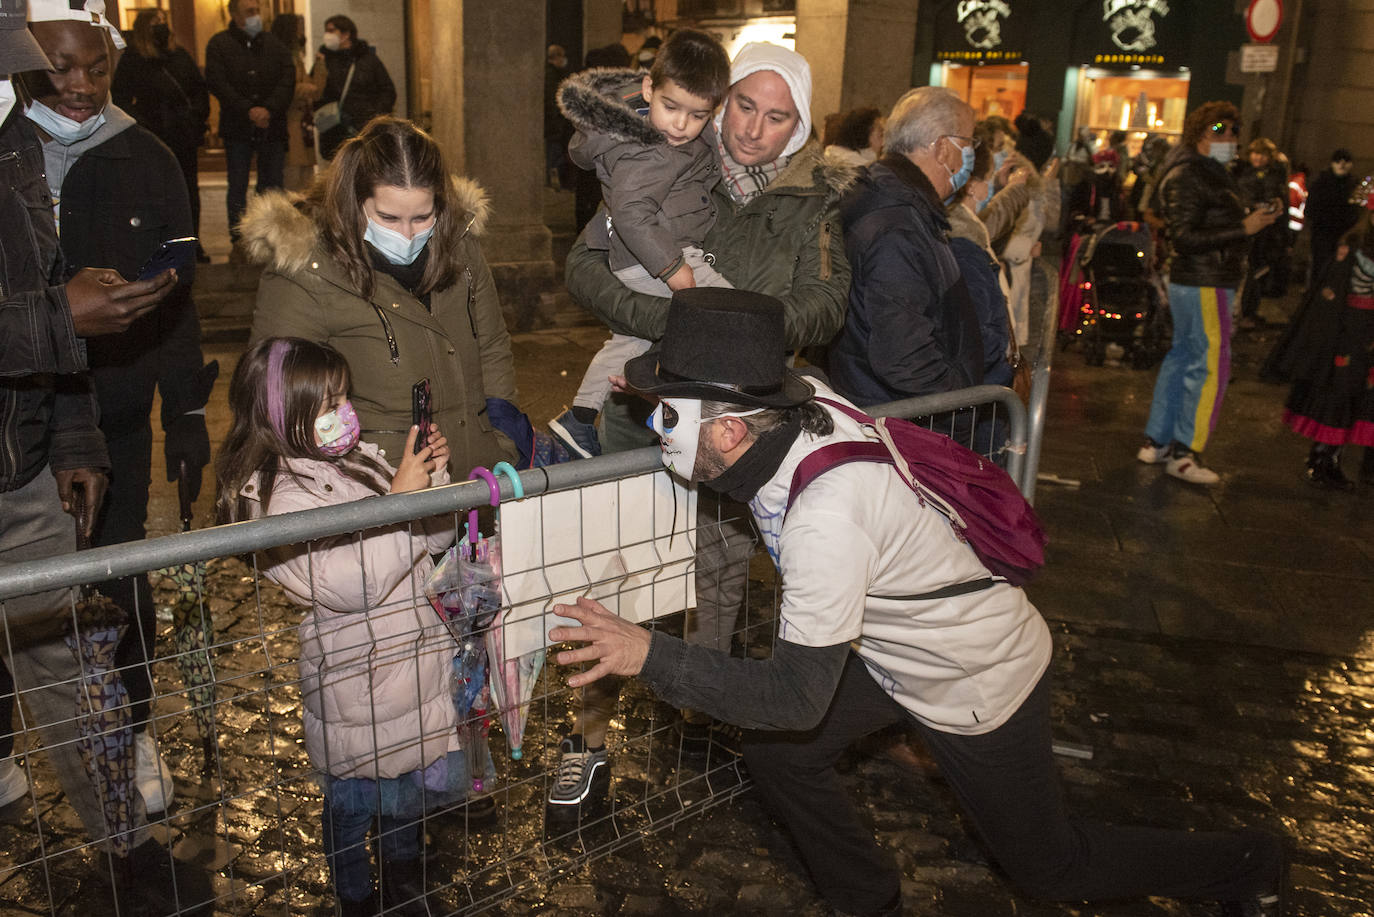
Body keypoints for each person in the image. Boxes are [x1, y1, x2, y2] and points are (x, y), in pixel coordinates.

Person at [546, 286, 1288, 917]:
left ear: (734, 428)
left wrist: (648, 653)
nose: (655, 432)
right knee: (781, 758)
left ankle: (1247, 859)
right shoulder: (801, 399)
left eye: (666, 418)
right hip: (892, 645)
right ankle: (868, 899)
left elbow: (798, 694)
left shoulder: (824, 519)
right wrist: (658, 385)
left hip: (974, 678)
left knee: (1051, 868)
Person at [558, 39, 852, 811]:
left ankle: (702, 714)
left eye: (776, 115)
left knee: (720, 568)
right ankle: (587, 734)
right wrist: (671, 316)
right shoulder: (666, 152)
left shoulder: (811, 198)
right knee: (618, 563)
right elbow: (585, 264)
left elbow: (828, 301)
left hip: (736, 420)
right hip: (642, 403)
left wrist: (742, 331)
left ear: (799, 124)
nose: (753, 129)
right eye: (744, 107)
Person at [0, 3, 212, 912]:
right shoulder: (14, 146)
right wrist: (63, 325)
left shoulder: (139, 156)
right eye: (52, 69)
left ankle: (122, 810)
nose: (75, 87)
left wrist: (160, 416)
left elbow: (160, 297)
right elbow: (52, 307)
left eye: (92, 68)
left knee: (84, 626)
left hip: (64, 433)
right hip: (36, 422)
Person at [216, 337, 474, 917]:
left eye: (343, 397)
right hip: (357, 686)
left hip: (413, 660)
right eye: (328, 403)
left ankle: (406, 880)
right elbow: (351, 585)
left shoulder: (359, 462)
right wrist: (403, 498)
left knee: (407, 797)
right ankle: (355, 896)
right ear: (284, 412)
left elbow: (431, 538)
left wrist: (432, 480)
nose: (344, 412)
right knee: (355, 806)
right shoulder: (280, 501)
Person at [243, 116, 520, 473]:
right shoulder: (305, 272)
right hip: (376, 487)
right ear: (354, 201)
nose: (407, 234)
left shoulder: (460, 245)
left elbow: (493, 348)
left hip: (478, 471)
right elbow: (279, 404)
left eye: (423, 216)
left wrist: (503, 440)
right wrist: (355, 482)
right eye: (388, 218)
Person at [548, 27, 732, 459]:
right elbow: (632, 213)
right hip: (655, 255)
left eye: (698, 115)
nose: (681, 125)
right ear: (649, 88)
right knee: (728, 314)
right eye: (670, 107)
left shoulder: (659, 132)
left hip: (643, 254)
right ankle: (695, 414)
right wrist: (674, 270)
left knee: (630, 338)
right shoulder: (647, 149)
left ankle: (578, 418)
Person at [1137, 102, 1279, 484]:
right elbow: (1184, 235)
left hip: (1200, 279)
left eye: (1234, 129)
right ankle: (1185, 451)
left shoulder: (1202, 171)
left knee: (1184, 356)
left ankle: (1159, 441)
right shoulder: (1190, 173)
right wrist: (1244, 228)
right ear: (1200, 132)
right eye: (1220, 128)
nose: (1230, 137)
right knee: (1210, 363)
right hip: (1204, 280)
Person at [827, 86, 985, 406]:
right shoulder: (897, 227)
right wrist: (960, 400)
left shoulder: (889, 198)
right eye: (969, 143)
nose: (972, 154)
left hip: (874, 401)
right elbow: (904, 359)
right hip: (895, 420)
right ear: (943, 148)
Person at [1265, 187, 1374, 488]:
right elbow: (1334, 294)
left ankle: (1343, 460)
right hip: (1348, 332)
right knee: (1339, 393)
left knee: (1361, 397)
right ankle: (1323, 457)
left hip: (1365, 333)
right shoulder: (1353, 247)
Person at [110, 6, 210, 260]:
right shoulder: (134, 59)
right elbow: (120, 98)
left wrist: (195, 118)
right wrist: (143, 125)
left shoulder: (179, 56)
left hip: (183, 136)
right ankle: (160, 244)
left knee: (188, 192)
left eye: (164, 21)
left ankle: (190, 243)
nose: (162, 26)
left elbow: (198, 90)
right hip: (153, 138)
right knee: (155, 194)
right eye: (156, 22)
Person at [204, 0, 295, 246]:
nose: (255, 16)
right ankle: (239, 237)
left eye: (257, 11)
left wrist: (269, 109)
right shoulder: (220, 45)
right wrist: (247, 109)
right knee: (237, 183)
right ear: (234, 15)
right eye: (249, 12)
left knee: (272, 183)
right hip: (237, 126)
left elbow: (288, 79)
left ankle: (271, 234)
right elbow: (218, 82)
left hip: (271, 127)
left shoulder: (275, 45)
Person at [310, 14, 396, 161]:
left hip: (364, 127)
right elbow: (315, 91)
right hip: (333, 128)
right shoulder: (324, 59)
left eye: (331, 31)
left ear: (346, 34)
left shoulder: (368, 60)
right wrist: (319, 66)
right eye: (326, 31)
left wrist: (375, 116)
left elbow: (388, 90)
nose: (327, 35)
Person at [1234, 137, 1289, 327]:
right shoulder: (1242, 172)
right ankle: (1243, 311)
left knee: (1257, 272)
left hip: (1265, 232)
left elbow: (1278, 203)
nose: (1258, 158)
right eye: (1255, 153)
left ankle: (1248, 311)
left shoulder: (1274, 176)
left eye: (1263, 154)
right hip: (1246, 228)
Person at [269, 12, 318, 192]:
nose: (301, 34)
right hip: (290, 123)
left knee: (306, 179)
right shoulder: (280, 57)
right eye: (298, 29)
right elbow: (285, 87)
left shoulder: (297, 57)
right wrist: (305, 89)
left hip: (302, 124)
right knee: (292, 178)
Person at [1303, 148, 1361, 287]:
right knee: (1320, 267)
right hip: (1322, 233)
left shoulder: (1354, 185)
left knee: (1340, 270)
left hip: (1344, 235)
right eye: (1338, 161)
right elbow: (1310, 209)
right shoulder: (1321, 182)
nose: (1342, 164)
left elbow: (1356, 211)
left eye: (1346, 161)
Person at [543, 43, 570, 188]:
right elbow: (552, 101)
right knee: (553, 153)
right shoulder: (551, 75)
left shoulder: (551, 74)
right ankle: (551, 179)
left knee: (554, 152)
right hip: (554, 124)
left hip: (553, 124)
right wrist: (556, 121)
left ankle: (553, 178)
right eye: (562, 56)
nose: (564, 60)